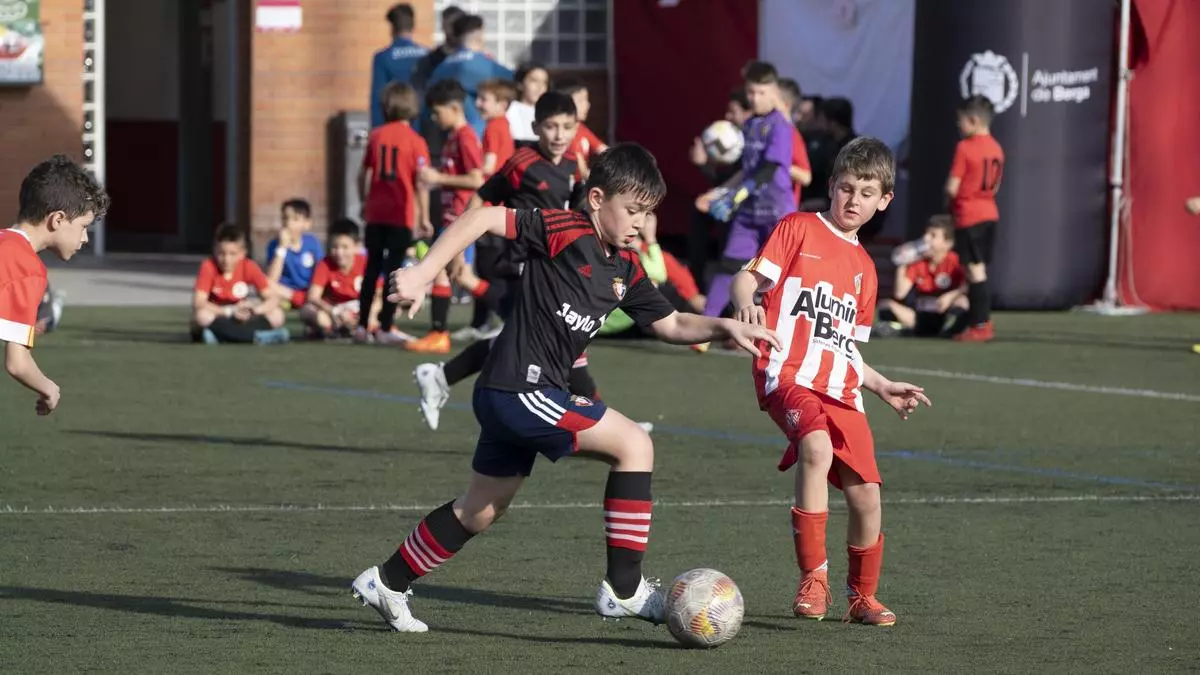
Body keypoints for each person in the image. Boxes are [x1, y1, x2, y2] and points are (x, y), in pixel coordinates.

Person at [350, 142, 780, 632]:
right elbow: (484, 217)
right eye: (632, 210)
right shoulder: (563, 228)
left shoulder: (624, 267)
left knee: (481, 509)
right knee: (634, 445)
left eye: (648, 213)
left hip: (511, 395)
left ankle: (386, 581)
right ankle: (624, 590)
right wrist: (425, 273)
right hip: (520, 390)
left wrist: (727, 327)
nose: (640, 222)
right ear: (597, 198)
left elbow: (673, 324)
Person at [729, 137, 930, 627]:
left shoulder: (865, 268)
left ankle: (861, 598)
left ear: (883, 200)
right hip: (787, 374)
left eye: (866, 192)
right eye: (845, 188)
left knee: (867, 497)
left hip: (841, 387)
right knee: (815, 449)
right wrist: (745, 303)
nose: (852, 199)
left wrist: (880, 384)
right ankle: (812, 578)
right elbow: (747, 277)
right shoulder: (799, 227)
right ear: (831, 187)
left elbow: (844, 345)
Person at [413, 90, 584, 429]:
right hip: (520, 262)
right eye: (551, 127)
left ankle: (440, 377)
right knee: (562, 339)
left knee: (522, 338)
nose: (559, 135)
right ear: (536, 127)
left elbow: (576, 213)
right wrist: (460, 248)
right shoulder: (522, 162)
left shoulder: (572, 165)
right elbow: (482, 196)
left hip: (553, 267)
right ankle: (596, 416)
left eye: (567, 126)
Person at [1, 155, 107, 416]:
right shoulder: (27, 269)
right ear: (57, 219)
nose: (84, 238)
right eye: (83, 226)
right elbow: (17, 362)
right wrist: (48, 388)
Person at [695, 61, 795, 323]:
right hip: (749, 210)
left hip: (777, 211)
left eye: (760, 93)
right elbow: (748, 171)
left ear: (774, 92)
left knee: (782, 272)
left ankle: (780, 326)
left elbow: (770, 168)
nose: (754, 98)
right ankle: (706, 326)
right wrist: (721, 193)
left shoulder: (780, 126)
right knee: (729, 264)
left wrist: (737, 195)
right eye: (750, 92)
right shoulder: (749, 125)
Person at [408, 79, 485, 354]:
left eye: (437, 111)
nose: (433, 118)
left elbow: (478, 179)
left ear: (454, 108)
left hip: (462, 221)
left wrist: (438, 177)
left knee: (459, 275)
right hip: (453, 219)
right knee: (448, 272)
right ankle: (439, 333)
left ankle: (513, 315)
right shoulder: (454, 137)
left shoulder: (465, 137)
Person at [357, 81, 431, 345]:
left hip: (376, 213)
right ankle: (386, 325)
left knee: (371, 268)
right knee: (393, 271)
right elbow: (420, 182)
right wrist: (424, 216)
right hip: (401, 214)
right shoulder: (416, 141)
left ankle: (362, 325)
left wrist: (364, 202)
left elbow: (363, 173)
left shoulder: (376, 136)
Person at [946, 95, 1004, 342]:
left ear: (974, 120)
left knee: (975, 271)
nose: (959, 126)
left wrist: (947, 204)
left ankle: (981, 324)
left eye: (962, 121)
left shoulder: (966, 147)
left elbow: (952, 186)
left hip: (969, 214)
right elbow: (997, 185)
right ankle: (972, 321)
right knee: (976, 271)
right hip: (989, 211)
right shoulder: (996, 148)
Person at [191, 224, 289, 345]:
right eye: (221, 253)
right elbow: (198, 303)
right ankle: (255, 337)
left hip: (242, 317)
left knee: (277, 315)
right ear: (214, 250)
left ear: (242, 253)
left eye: (232, 254)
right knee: (201, 316)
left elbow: (272, 298)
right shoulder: (208, 266)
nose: (226, 259)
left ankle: (220, 336)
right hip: (220, 315)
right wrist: (229, 311)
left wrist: (254, 310)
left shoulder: (249, 266)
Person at [876, 215, 968, 338]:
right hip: (919, 315)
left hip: (944, 313)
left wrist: (950, 297)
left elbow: (967, 285)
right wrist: (902, 263)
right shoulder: (918, 263)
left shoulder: (954, 261)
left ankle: (951, 330)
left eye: (933, 235)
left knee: (962, 303)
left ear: (947, 243)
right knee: (886, 305)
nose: (926, 239)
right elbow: (900, 293)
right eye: (926, 234)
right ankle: (903, 329)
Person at [424, 13, 513, 140]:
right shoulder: (489, 66)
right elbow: (516, 83)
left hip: (447, 138)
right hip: (481, 137)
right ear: (480, 35)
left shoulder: (441, 68)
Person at [301, 218, 382, 340]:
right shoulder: (324, 264)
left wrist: (368, 313)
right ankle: (334, 330)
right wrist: (335, 311)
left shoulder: (367, 263)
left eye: (345, 247)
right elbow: (313, 296)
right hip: (334, 311)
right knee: (307, 311)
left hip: (360, 309)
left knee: (387, 307)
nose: (339, 252)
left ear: (357, 246)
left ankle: (363, 328)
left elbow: (379, 294)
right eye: (334, 247)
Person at [368, 3, 428, 129]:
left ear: (392, 28)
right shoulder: (427, 55)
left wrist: (376, 132)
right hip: (425, 128)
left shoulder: (383, 58)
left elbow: (378, 98)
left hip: (396, 130)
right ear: (413, 26)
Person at [263, 198, 323, 311]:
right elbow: (271, 279)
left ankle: (302, 301)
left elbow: (320, 272)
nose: (288, 223)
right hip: (285, 292)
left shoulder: (312, 243)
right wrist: (281, 248)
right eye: (285, 218)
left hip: (308, 290)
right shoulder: (274, 244)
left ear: (307, 224)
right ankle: (297, 300)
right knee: (264, 284)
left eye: (295, 219)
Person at [557, 78, 609, 178]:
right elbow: (582, 172)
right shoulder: (565, 135)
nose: (587, 105)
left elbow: (603, 150)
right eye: (581, 100)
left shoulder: (581, 128)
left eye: (586, 100)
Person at [777, 78, 813, 206]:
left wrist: (777, 165)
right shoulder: (763, 130)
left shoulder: (791, 134)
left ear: (786, 105)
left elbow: (805, 177)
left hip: (781, 213)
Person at [506, 62, 551, 146]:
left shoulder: (549, 113)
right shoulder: (509, 112)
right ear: (520, 84)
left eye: (544, 82)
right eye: (534, 80)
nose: (540, 86)